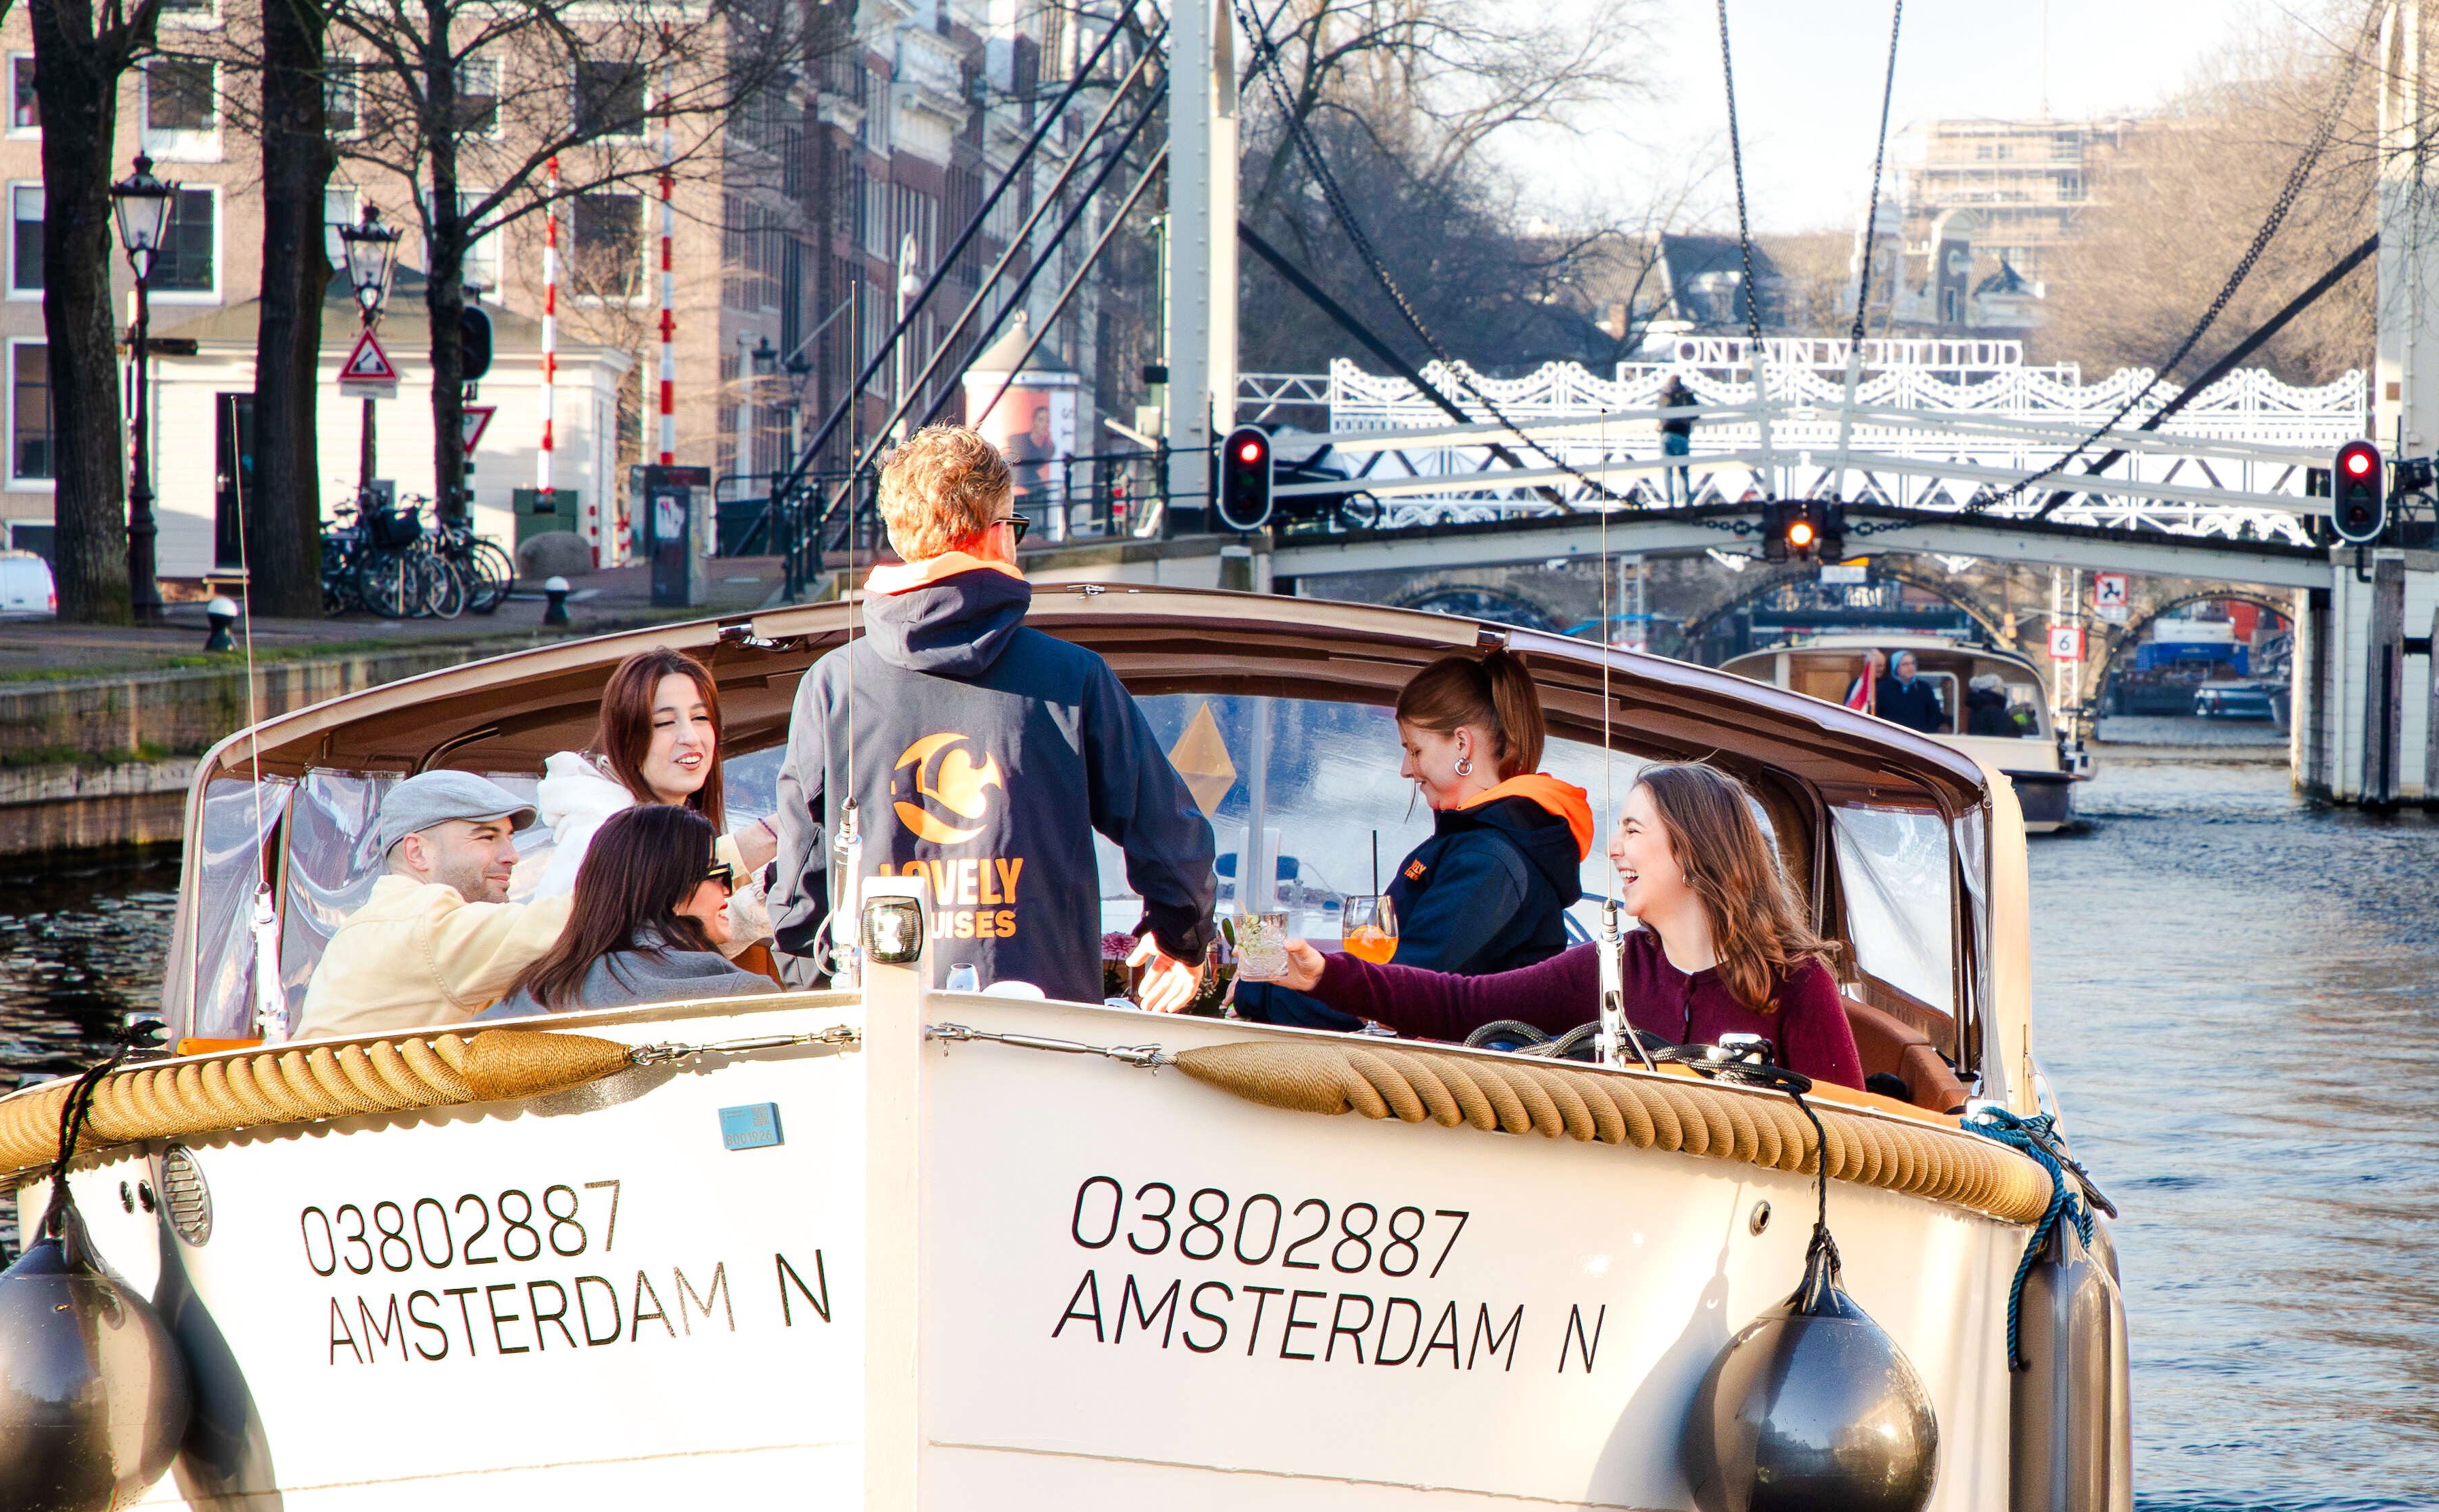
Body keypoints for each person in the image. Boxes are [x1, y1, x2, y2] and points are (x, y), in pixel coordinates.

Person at [769, 425, 1219, 1004]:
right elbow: (1169, 833)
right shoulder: (1073, 680)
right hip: (1045, 1026)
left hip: (883, 1019)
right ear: (995, 534)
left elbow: (801, 874)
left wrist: (824, 990)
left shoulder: (833, 685)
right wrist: (1180, 939)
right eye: (1016, 527)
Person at [1249, 762, 1859, 1087]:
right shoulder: (1610, 968)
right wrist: (1325, 975)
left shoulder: (1797, 984)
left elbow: (1856, 1140)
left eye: (1632, 831)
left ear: (1694, 850)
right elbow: (1462, 1005)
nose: (1614, 851)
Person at [1235, 637, 1591, 1032]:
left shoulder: (1489, 860)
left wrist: (1261, 994)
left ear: (1462, 744)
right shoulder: (1479, 843)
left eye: (1415, 750)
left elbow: (1400, 990)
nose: (1406, 769)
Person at [516, 648, 778, 958]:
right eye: (665, 722)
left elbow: (667, 940)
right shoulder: (598, 838)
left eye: (700, 717)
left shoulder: (667, 824)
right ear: (627, 737)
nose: (690, 736)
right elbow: (627, 961)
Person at [300, 770, 565, 1035]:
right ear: (418, 853)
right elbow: (575, 926)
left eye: (510, 838)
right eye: (487, 837)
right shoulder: (425, 920)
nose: (513, 856)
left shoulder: (375, 924)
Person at [488, 805, 761, 1017]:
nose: (728, 889)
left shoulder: (537, 994)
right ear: (669, 885)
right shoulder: (733, 991)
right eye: (717, 874)